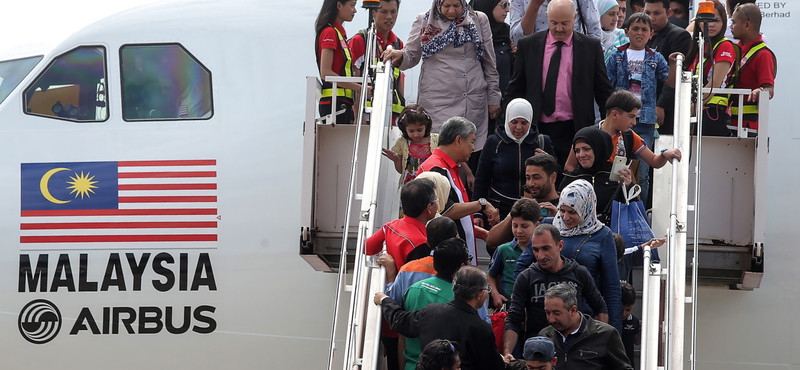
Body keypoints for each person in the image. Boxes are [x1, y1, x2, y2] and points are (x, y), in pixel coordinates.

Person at [382, 0, 501, 167]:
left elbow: (489, 62)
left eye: (456, 6)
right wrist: (399, 55)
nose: (451, 11)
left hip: (471, 99)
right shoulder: (424, 20)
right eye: (446, 6)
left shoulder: (479, 19)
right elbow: (411, 56)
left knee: (469, 154)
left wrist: (494, 97)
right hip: (437, 102)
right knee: (439, 155)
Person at [504, 0, 614, 177]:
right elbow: (516, 88)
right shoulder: (529, 45)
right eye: (554, 23)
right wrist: (508, 125)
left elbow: (603, 90)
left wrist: (611, 125)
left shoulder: (590, 47)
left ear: (575, 18)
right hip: (538, 129)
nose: (559, 29)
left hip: (575, 128)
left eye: (565, 23)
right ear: (547, 17)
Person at [605, 13, 681, 203]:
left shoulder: (656, 57)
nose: (639, 33)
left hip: (645, 120)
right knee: (616, 166)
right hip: (620, 120)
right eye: (635, 29)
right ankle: (616, 206)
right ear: (626, 31)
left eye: (644, 30)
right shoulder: (616, 55)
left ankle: (639, 210)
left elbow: (670, 81)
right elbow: (607, 85)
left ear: (651, 34)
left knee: (644, 171)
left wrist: (673, 65)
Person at [503, 224, 608, 360]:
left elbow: (600, 307)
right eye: (535, 250)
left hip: (575, 351)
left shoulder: (579, 273)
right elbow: (514, 318)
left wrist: (602, 345)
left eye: (546, 248)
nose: (540, 256)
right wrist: (507, 353)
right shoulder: (526, 278)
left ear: (560, 245)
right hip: (539, 353)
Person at [375, 266, 506, 370]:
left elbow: (399, 320)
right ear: (480, 294)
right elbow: (493, 366)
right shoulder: (481, 328)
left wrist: (385, 300)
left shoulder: (431, 311)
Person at [419, 117, 500, 264]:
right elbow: (445, 211)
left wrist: (479, 233)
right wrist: (482, 204)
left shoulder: (449, 167)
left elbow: (456, 217)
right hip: (451, 263)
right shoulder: (436, 169)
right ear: (458, 140)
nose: (473, 148)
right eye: (472, 141)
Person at [553, 179, 623, 331]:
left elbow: (611, 288)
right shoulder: (551, 228)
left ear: (586, 207)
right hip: (550, 318)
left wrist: (614, 333)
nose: (565, 218)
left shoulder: (603, 235)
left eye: (572, 212)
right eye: (562, 211)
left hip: (586, 319)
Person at [565, 91, 682, 177]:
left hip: (615, 199)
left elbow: (654, 161)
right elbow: (569, 166)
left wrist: (664, 154)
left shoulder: (629, 136)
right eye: (631, 117)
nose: (634, 122)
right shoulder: (587, 134)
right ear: (615, 114)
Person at [474, 98, 554, 222]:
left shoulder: (542, 142)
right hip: (499, 211)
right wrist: (478, 213)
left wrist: (548, 161)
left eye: (524, 123)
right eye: (514, 122)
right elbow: (481, 181)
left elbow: (555, 176)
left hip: (534, 211)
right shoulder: (494, 142)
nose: (518, 127)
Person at [401, 238, 473, 370]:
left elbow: (402, 332)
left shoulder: (414, 289)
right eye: (470, 259)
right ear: (461, 267)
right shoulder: (462, 300)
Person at [538, 283, 632, 370]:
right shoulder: (544, 336)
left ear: (573, 310)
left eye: (556, 313)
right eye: (547, 313)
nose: (551, 319)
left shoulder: (606, 335)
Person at [683, 0, 738, 136]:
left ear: (724, 22)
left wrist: (693, 107)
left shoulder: (725, 45)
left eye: (716, 20)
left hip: (714, 112)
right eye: (706, 20)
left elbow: (714, 84)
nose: (711, 24)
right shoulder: (697, 45)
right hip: (695, 110)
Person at [485, 153, 560, 250]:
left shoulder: (565, 206)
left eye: (536, 177)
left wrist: (558, 219)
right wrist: (514, 213)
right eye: (528, 178)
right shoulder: (524, 205)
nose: (530, 183)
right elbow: (491, 241)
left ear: (553, 177)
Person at [348, 0, 405, 122]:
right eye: (384, 12)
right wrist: (358, 117)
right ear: (373, 12)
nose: (389, 17)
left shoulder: (398, 44)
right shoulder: (361, 41)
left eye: (393, 12)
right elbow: (354, 82)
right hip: (367, 116)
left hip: (393, 119)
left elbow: (399, 81)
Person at [365, 178, 438, 272]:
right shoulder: (422, 243)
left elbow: (366, 248)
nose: (437, 203)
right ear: (429, 208)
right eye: (436, 199)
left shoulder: (389, 227)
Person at [560, 128, 631, 222]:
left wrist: (628, 186)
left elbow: (631, 208)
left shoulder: (616, 174)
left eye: (586, 149)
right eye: (577, 151)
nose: (581, 155)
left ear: (600, 148)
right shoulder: (571, 178)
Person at [643, 0, 691, 136]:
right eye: (647, 13)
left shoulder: (679, 36)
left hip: (665, 107)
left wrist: (661, 104)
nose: (651, 18)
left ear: (668, 13)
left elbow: (675, 73)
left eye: (657, 13)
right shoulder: (641, 35)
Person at [729, 3, 776, 134]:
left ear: (747, 25)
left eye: (733, 22)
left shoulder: (763, 54)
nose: (730, 26)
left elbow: (769, 90)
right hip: (730, 122)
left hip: (747, 127)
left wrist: (760, 91)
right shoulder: (737, 50)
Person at [487, 198, 540, 309]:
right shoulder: (503, 250)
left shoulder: (541, 251)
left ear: (536, 225)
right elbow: (491, 274)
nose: (519, 231)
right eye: (515, 226)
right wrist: (495, 294)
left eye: (524, 226)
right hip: (509, 308)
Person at [315, 0, 361, 124]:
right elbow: (326, 73)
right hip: (334, 104)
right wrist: (359, 88)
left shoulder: (339, 34)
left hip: (342, 103)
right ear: (339, 5)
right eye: (352, 5)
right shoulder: (330, 32)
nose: (355, 10)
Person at [384, 105, 439, 188]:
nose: (416, 134)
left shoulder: (436, 139)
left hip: (431, 185)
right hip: (410, 187)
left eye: (420, 130)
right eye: (411, 131)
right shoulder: (402, 142)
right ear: (404, 128)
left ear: (426, 126)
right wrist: (396, 160)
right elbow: (401, 171)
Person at [509, 0, 602, 45]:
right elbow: (517, 39)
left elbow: (593, 27)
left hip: (574, 56)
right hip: (536, 61)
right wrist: (534, 5)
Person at [471, 0, 514, 97]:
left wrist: (516, 57)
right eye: (504, 5)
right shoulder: (467, 36)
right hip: (475, 101)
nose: (508, 9)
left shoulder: (508, 33)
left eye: (508, 4)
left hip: (504, 100)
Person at [620, 282, 640, 368]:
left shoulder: (634, 321)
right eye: (621, 310)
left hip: (628, 363)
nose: (624, 314)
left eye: (628, 310)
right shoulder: (608, 319)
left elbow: (637, 342)